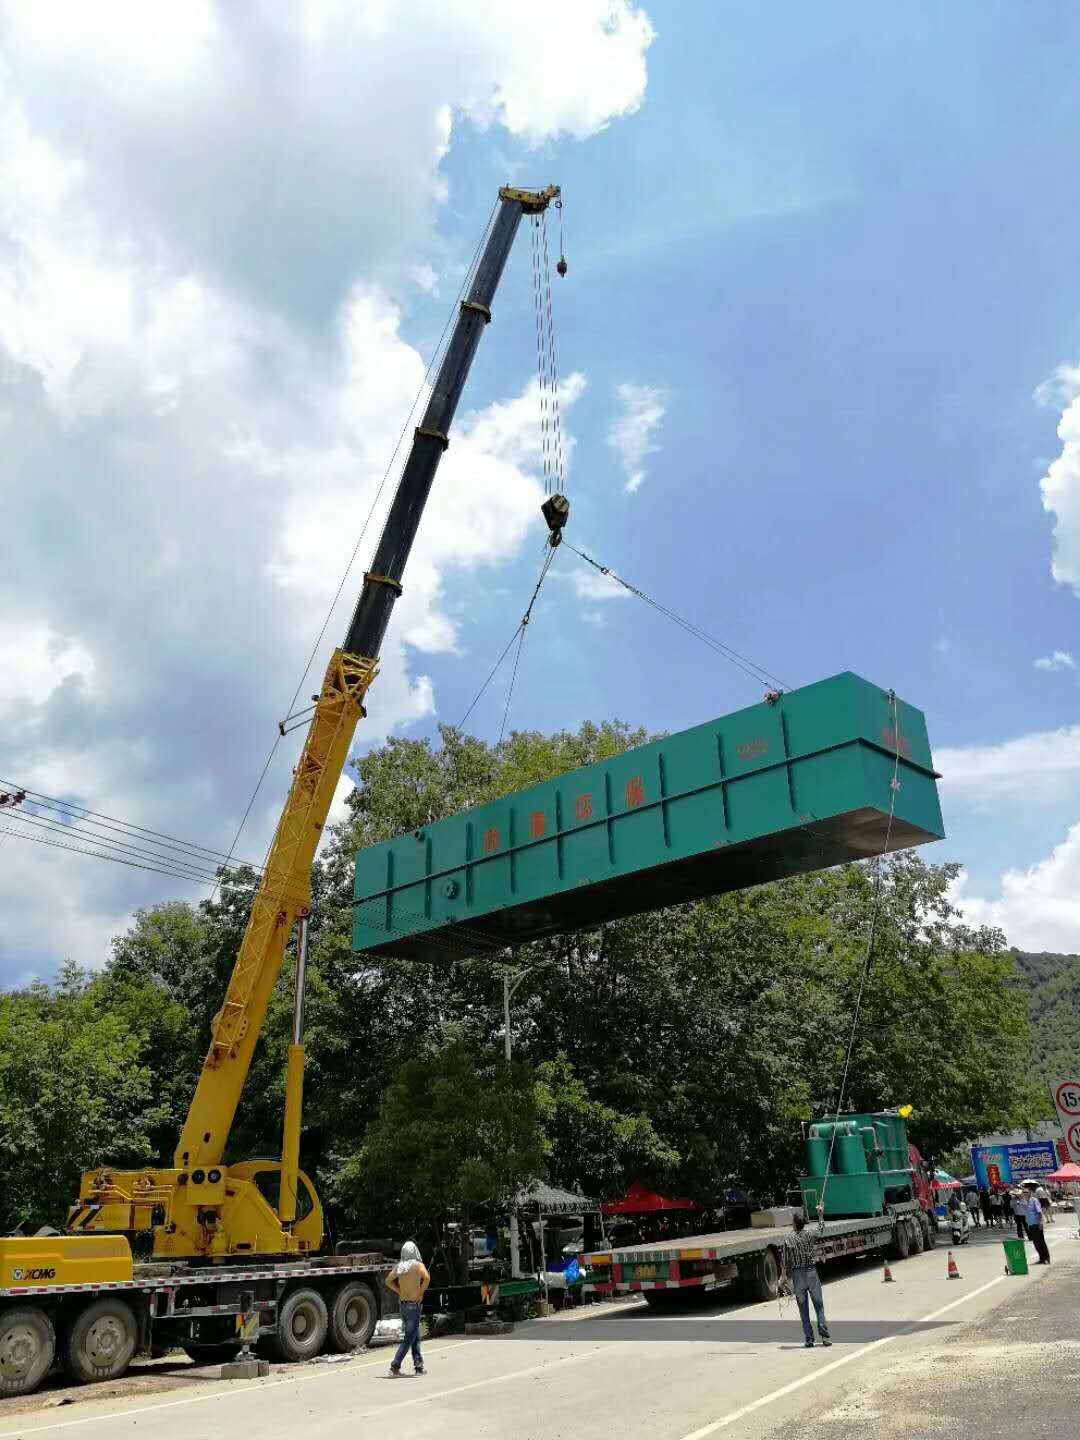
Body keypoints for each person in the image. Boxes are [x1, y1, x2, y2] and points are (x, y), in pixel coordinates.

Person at [779, 1214, 832, 1350]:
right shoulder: (809, 1234)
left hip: (798, 1275)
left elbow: (784, 1259)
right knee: (819, 1305)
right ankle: (824, 1337)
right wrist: (820, 1214)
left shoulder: (788, 1238)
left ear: (795, 1224)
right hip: (811, 1272)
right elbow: (821, 1230)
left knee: (803, 1309)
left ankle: (809, 1339)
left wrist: (783, 1276)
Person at [385, 1240, 431, 1376]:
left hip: (403, 1306)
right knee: (409, 1338)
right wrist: (420, 1293)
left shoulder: (400, 1266)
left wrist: (399, 1291)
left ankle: (419, 1367)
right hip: (413, 1306)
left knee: (415, 1336)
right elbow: (427, 1278)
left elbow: (388, 1281)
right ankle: (395, 1366)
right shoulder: (417, 1265)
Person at [1025, 1190, 1051, 1265]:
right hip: (1030, 1225)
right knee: (1035, 1242)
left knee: (1041, 1242)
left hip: (1037, 1224)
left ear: (1030, 1192)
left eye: (1026, 1192)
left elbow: (1039, 1212)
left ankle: (1046, 1258)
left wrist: (1040, 1222)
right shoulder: (1025, 1202)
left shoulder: (1034, 1200)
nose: (1025, 1193)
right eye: (1024, 1192)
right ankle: (1041, 1258)